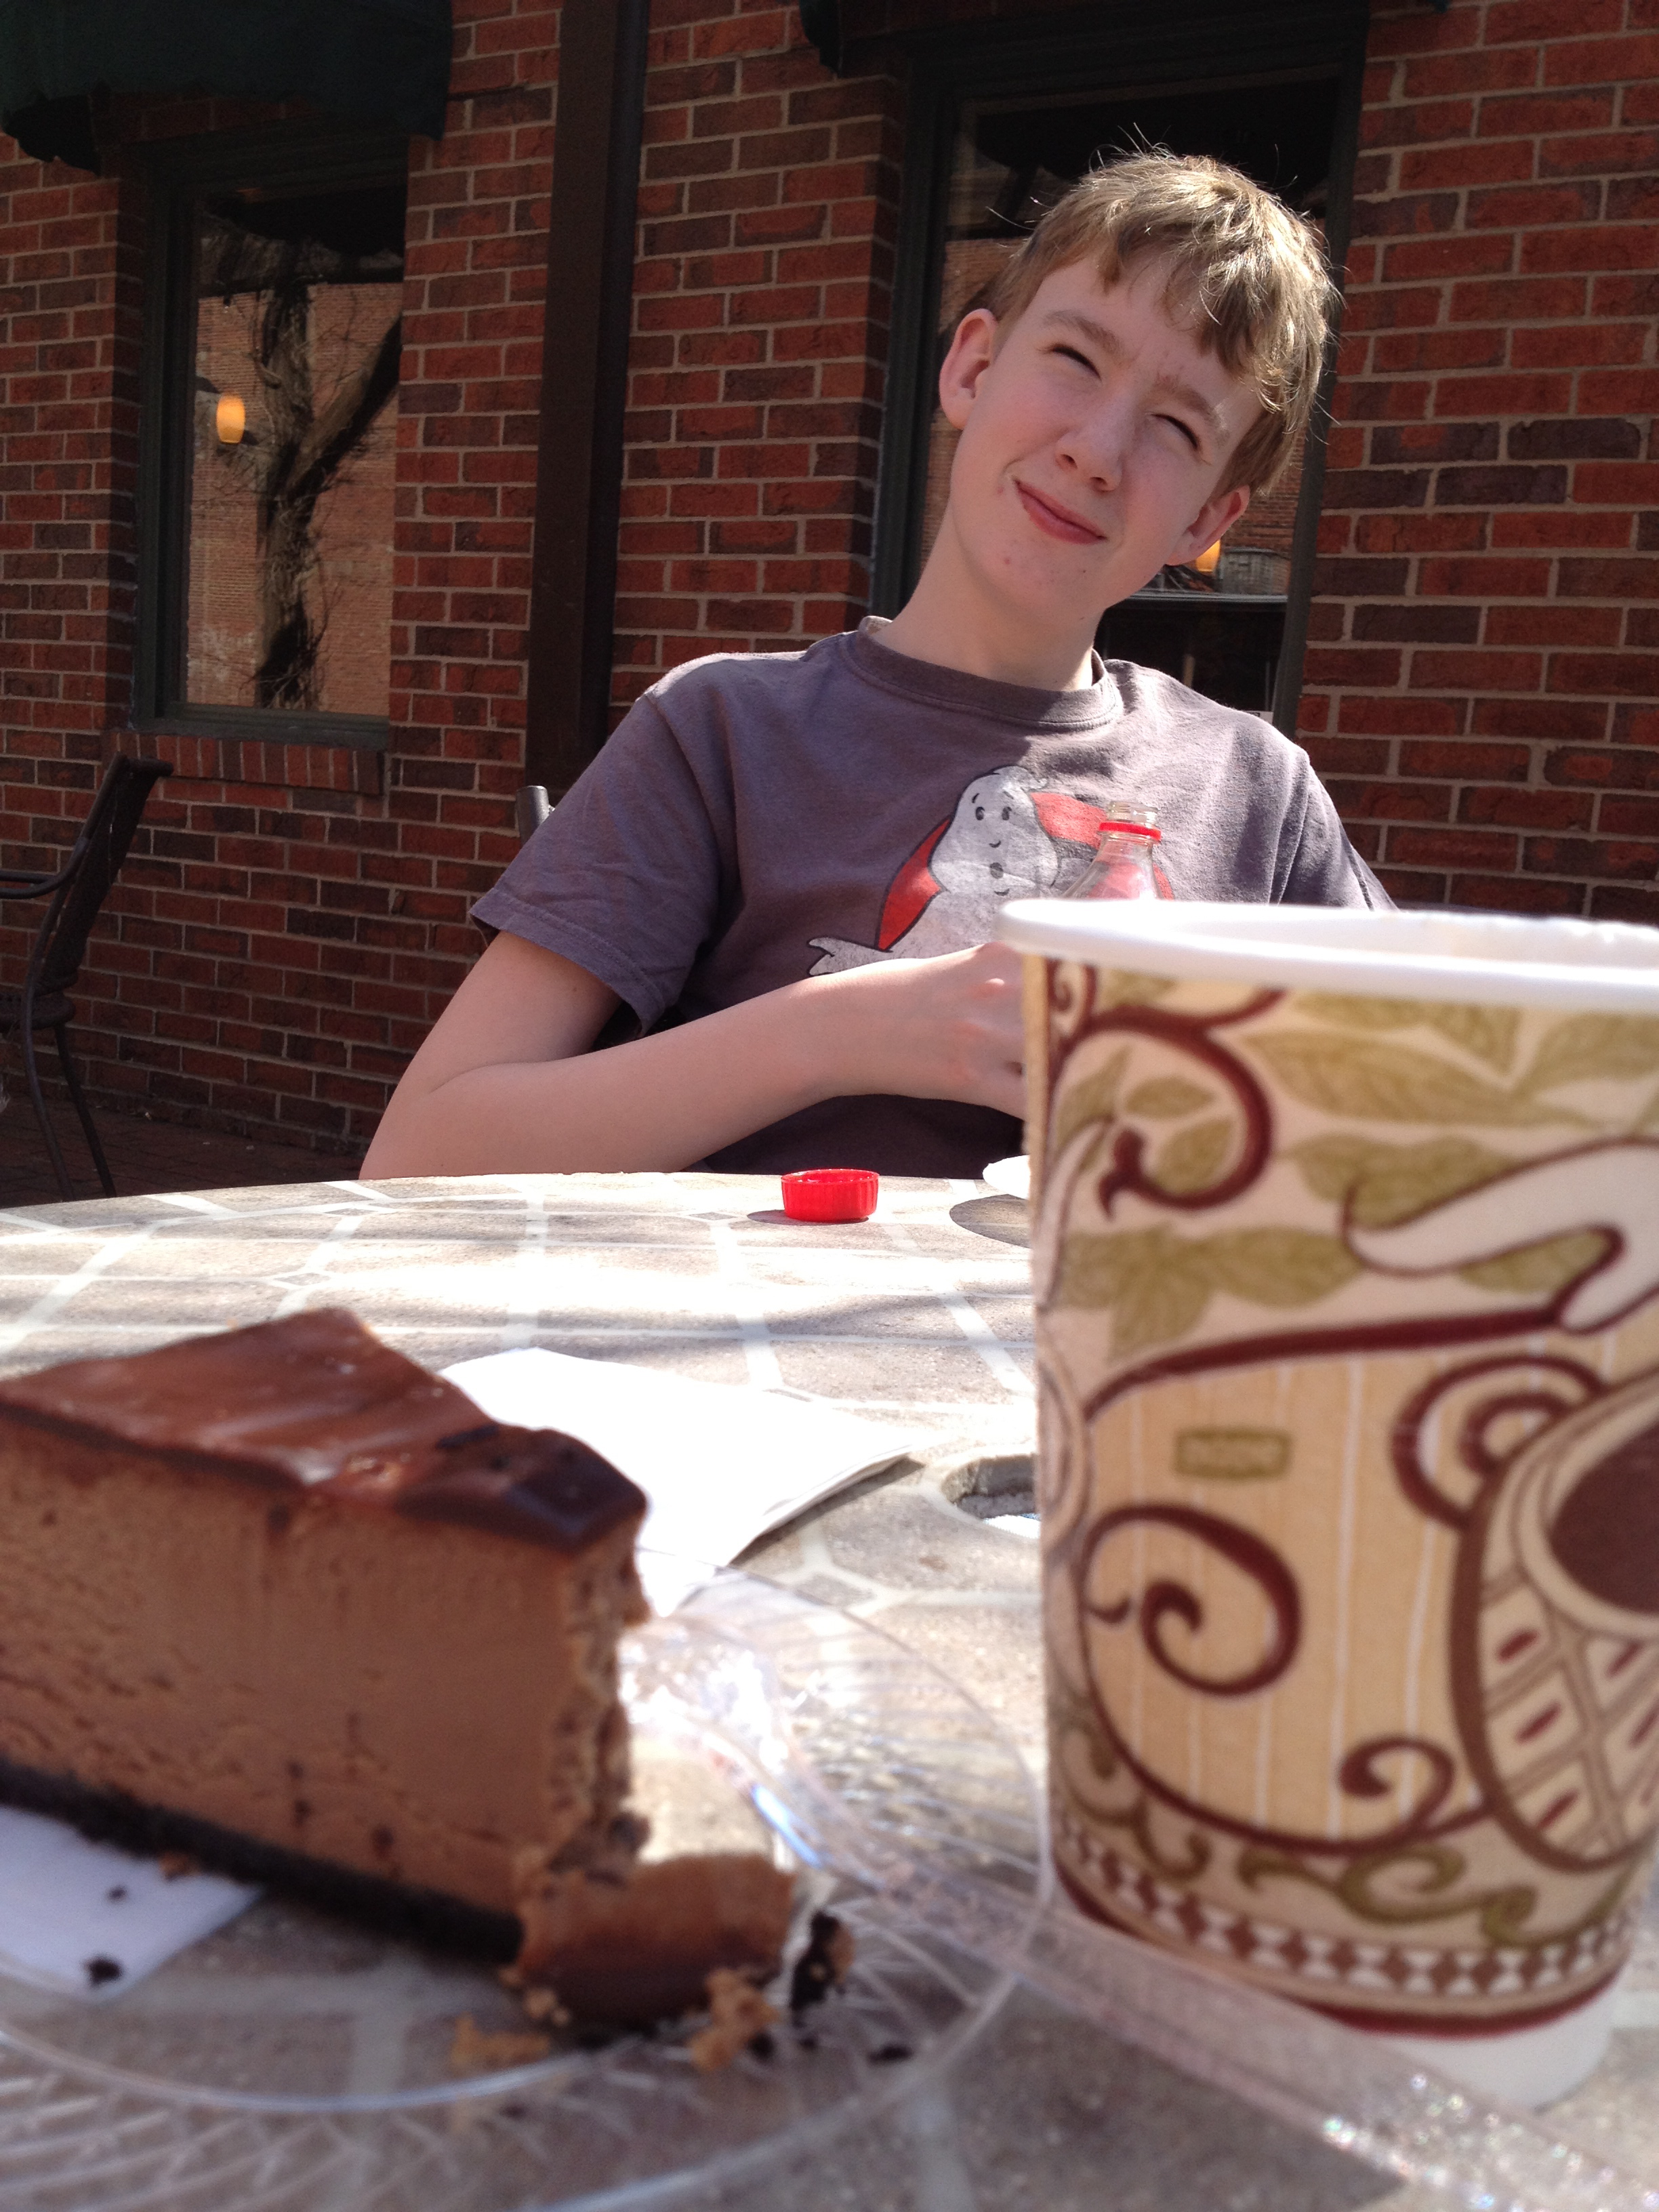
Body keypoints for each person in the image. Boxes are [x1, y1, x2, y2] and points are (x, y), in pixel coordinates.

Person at [362, 151, 1383, 1185]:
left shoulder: (1257, 794)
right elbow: (418, 1156)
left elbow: (1409, 1135)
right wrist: (842, 1032)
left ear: (1208, 520)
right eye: (1076, 358)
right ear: (972, 369)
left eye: (1175, 426)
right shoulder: (723, 734)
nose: (1098, 449)